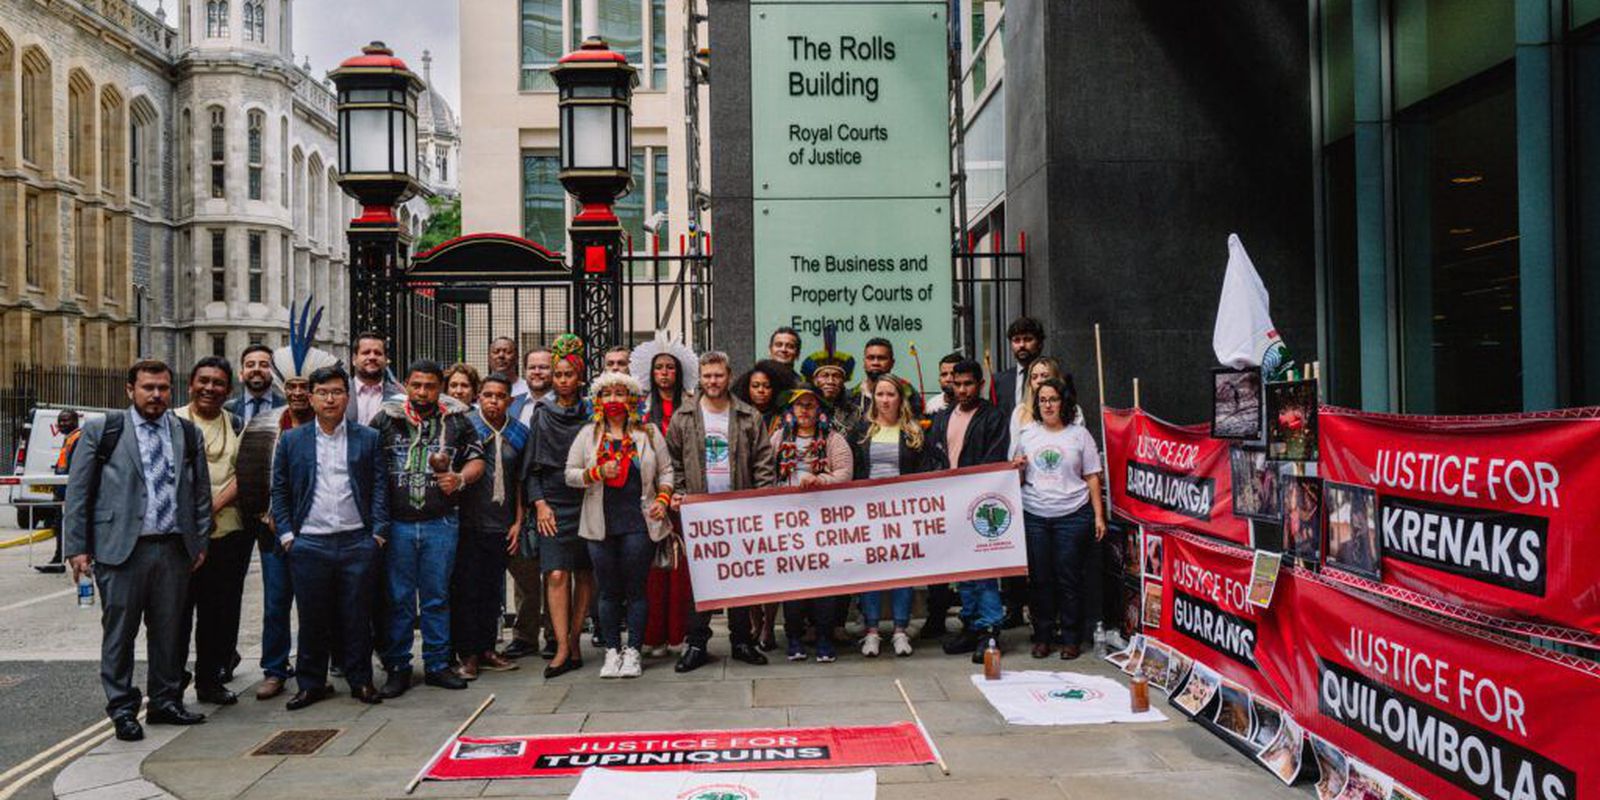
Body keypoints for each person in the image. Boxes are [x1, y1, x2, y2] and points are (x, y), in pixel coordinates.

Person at [64, 359, 213, 742]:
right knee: (120, 634)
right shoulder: (104, 430)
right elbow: (78, 492)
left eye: (163, 388)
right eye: (148, 387)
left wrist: (199, 541)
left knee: (169, 632)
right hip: (120, 551)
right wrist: (77, 547)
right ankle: (123, 709)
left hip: (173, 548)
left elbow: (200, 493)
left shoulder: (186, 432)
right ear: (131, 390)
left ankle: (165, 701)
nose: (156, 395)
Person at [269, 366, 390, 709]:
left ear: (347, 397)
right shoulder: (292, 440)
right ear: (311, 398)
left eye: (337, 392)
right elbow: (280, 489)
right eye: (322, 393)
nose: (330, 399)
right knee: (312, 617)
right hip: (310, 542)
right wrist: (288, 536)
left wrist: (378, 534)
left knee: (357, 616)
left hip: (357, 541)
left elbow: (380, 487)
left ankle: (361, 680)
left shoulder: (368, 438)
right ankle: (311, 683)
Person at [370, 360, 487, 696]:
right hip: (397, 525)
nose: (422, 392)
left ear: (440, 388)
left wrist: (460, 478)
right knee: (399, 599)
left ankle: (437, 664)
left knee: (437, 597)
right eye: (416, 385)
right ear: (406, 384)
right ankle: (398, 666)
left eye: (430, 386)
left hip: (441, 522)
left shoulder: (457, 420)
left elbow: (477, 459)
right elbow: (368, 464)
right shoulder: (385, 419)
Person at [666, 352, 775, 672]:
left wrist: (761, 499)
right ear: (700, 378)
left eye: (718, 375)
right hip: (698, 512)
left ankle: (741, 640)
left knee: (739, 576)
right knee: (700, 580)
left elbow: (763, 461)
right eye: (707, 376)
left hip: (739, 508)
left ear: (729, 376)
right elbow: (672, 461)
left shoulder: (748, 415)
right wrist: (680, 493)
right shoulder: (684, 416)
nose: (712, 381)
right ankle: (696, 643)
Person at [244, 328, 335, 701]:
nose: (297, 393)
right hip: (274, 530)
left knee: (316, 606)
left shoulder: (327, 427)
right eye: (292, 387)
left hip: (317, 531)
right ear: (283, 388)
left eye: (304, 387)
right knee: (276, 603)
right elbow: (252, 474)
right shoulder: (266, 425)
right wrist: (266, 516)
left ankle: (316, 670)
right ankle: (274, 669)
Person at [565, 372, 674, 678]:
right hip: (600, 524)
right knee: (608, 591)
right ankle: (612, 651)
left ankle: (634, 651)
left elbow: (667, 471)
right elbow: (569, 474)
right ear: (598, 400)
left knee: (636, 589)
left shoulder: (649, 432)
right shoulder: (588, 434)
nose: (613, 399)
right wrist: (596, 472)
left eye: (619, 393)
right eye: (607, 394)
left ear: (631, 399)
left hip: (639, 523)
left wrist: (662, 499)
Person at [1010, 378, 1106, 660]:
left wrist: (1099, 516)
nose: (1047, 405)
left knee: (1069, 578)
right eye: (1042, 400)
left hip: (1072, 515)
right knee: (1040, 579)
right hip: (1035, 514)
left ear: (1064, 402)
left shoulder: (1080, 435)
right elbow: (1017, 478)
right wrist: (1017, 468)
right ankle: (1043, 637)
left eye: (1053, 399)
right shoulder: (1027, 434)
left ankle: (1071, 638)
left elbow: (1092, 477)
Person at [173, 357, 248, 706]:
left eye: (218, 383)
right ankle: (171, 684)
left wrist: (211, 508)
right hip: (179, 537)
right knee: (175, 615)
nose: (210, 388)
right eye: (203, 381)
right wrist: (194, 516)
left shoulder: (236, 423)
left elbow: (243, 473)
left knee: (218, 613)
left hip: (225, 532)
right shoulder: (172, 421)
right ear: (191, 384)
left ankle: (210, 680)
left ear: (228, 390)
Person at [927, 359, 1010, 662]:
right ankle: (971, 625)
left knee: (983, 569)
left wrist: (967, 487)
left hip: (979, 505)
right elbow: (933, 455)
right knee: (962, 569)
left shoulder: (993, 417)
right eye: (957, 384)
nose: (962, 390)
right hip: (949, 503)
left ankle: (989, 629)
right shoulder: (942, 417)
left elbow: (994, 458)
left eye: (968, 384)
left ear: (980, 385)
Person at [850, 375, 936, 658]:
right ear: (873, 398)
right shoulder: (861, 430)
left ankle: (900, 630)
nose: (885, 400)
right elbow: (852, 470)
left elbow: (924, 470)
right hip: (868, 513)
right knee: (870, 572)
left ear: (901, 398)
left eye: (890, 394)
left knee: (902, 571)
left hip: (903, 512)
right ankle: (872, 632)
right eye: (880, 394)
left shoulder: (913, 431)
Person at [525, 335, 594, 678]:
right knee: (555, 573)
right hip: (553, 501)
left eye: (569, 374)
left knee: (585, 572)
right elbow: (532, 468)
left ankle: (575, 639)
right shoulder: (542, 414)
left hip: (587, 498)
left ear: (579, 377)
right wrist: (540, 504)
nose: (563, 380)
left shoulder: (593, 414)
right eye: (559, 374)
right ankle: (561, 645)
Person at [770, 384, 852, 662]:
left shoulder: (833, 439)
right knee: (793, 582)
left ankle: (824, 637)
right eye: (799, 405)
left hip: (823, 521)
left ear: (819, 410)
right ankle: (794, 637)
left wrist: (820, 480)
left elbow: (845, 473)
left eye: (810, 405)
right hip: (788, 521)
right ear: (791, 409)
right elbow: (767, 472)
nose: (804, 410)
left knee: (824, 582)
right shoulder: (779, 437)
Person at [452, 373, 526, 680]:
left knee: (492, 590)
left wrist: (518, 521)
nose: (493, 401)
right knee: (467, 589)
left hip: (501, 523)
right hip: (469, 522)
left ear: (510, 400)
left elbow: (521, 480)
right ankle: (467, 653)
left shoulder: (519, 432)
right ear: (478, 397)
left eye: (500, 396)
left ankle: (487, 648)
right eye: (488, 395)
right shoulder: (465, 427)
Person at [630, 331, 699, 658]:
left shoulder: (692, 406)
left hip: (683, 498)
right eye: (659, 367)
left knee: (680, 569)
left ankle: (678, 634)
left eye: (670, 367)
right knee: (652, 570)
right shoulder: (641, 410)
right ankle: (653, 634)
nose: (665, 373)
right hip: (650, 499)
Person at [38, 409, 81, 573]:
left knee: (66, 527)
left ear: (75, 421)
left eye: (66, 420)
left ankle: (61, 560)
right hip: (63, 490)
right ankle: (58, 559)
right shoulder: (69, 438)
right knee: (59, 527)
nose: (62, 424)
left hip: (69, 492)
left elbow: (75, 467)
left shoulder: (77, 438)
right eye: (60, 421)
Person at [800, 327, 860, 437]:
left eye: (836, 376)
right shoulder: (802, 410)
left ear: (843, 381)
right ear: (815, 380)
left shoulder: (854, 411)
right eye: (825, 375)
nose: (830, 381)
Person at [995, 316, 1046, 418]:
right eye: (1016, 340)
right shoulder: (999, 381)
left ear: (1040, 343)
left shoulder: (1055, 376)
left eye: (1028, 339)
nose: (1022, 345)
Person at [348, 332, 403, 425]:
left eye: (378, 353)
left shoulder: (398, 396)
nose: (372, 357)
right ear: (354, 359)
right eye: (366, 352)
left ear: (386, 359)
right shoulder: (341, 393)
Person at [732, 359, 797, 435]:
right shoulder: (737, 415)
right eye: (755, 386)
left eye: (767, 386)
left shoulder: (784, 418)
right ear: (747, 388)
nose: (761, 390)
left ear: (776, 389)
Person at [1008, 357, 1064, 442]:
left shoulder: (1073, 410)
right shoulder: (1020, 412)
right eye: (1034, 377)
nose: (1039, 381)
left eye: (1044, 376)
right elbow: (1015, 447)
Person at [225, 344, 286, 423]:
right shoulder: (227, 409)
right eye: (250, 365)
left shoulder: (286, 408)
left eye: (264, 365)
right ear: (241, 373)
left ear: (274, 373)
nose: (256, 369)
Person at [511, 348, 554, 427]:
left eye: (543, 367)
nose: (537, 372)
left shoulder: (566, 404)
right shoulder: (511, 404)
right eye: (532, 368)